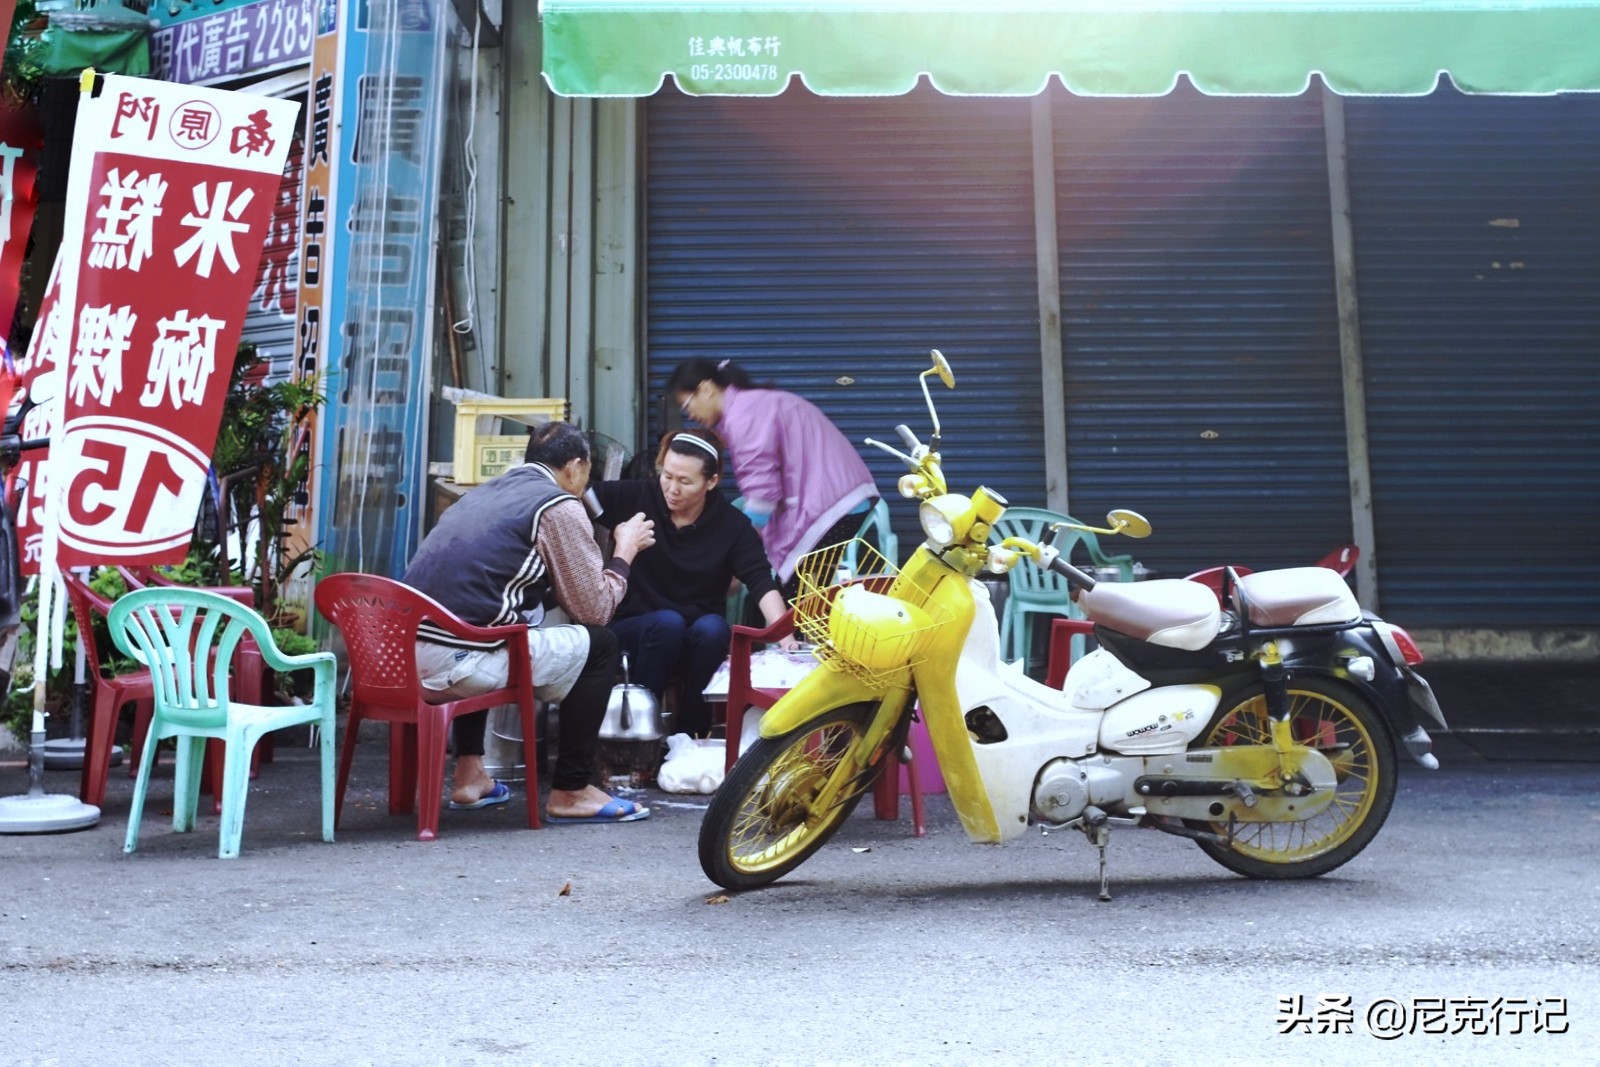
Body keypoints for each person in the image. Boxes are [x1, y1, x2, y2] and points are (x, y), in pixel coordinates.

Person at [404, 422, 657, 823]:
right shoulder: (556, 505)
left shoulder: (480, 495)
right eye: (586, 475)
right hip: (460, 663)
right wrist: (624, 550)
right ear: (575, 466)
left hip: (403, 661)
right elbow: (594, 610)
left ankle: (470, 778)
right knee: (601, 644)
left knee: (484, 623)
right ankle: (571, 791)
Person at [591, 428, 796, 737]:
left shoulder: (732, 526)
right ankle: (640, 735)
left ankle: (690, 737)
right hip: (634, 631)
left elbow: (760, 580)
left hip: (695, 638)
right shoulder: (637, 497)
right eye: (667, 476)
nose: (672, 488)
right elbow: (579, 495)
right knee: (667, 624)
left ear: (711, 481)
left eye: (685, 481)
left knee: (714, 629)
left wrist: (785, 637)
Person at [665, 358, 878, 593]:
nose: (690, 415)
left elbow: (761, 493)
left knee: (793, 602)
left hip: (828, 506)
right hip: (839, 501)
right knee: (804, 601)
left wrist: (738, 556)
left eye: (687, 406)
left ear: (705, 390)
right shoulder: (752, 405)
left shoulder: (744, 415)